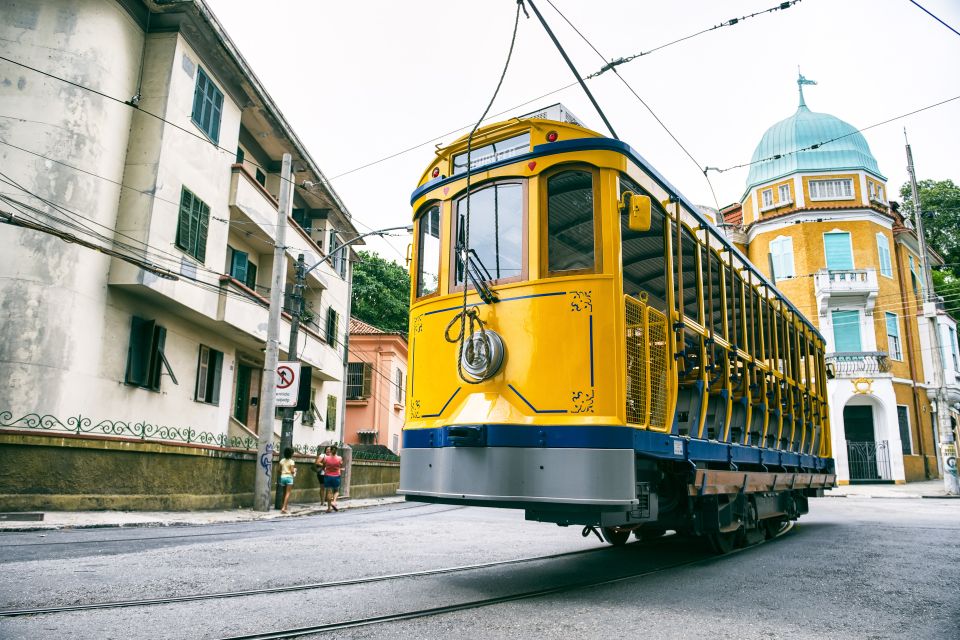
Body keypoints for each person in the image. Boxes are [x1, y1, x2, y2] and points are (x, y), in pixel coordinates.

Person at [319, 445, 343, 512]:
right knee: (336, 491)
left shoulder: (326, 458)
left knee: (329, 492)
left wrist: (325, 469)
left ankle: (329, 508)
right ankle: (334, 502)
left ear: (330, 450)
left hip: (327, 476)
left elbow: (323, 467)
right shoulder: (339, 458)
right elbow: (340, 465)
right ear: (336, 450)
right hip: (336, 476)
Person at [278, 447, 297, 514]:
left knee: (284, 493)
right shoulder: (292, 462)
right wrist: (294, 471)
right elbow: (292, 471)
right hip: (289, 477)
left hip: (283, 477)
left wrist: (283, 472)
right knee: (288, 493)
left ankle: (284, 506)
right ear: (291, 454)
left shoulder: (282, 461)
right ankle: (283, 508)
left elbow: (279, 470)